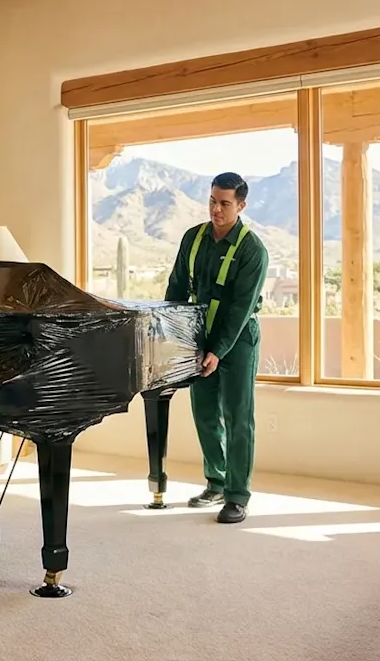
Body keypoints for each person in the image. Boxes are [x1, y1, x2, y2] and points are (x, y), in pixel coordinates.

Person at [164, 172, 269, 524]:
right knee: (205, 412)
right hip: (199, 336)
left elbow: (240, 310)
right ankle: (216, 482)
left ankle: (237, 495)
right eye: (212, 200)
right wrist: (175, 339)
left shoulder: (253, 250)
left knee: (238, 416)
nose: (216, 209)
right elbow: (176, 288)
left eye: (225, 203)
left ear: (241, 205)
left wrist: (218, 350)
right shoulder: (193, 238)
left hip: (238, 340)